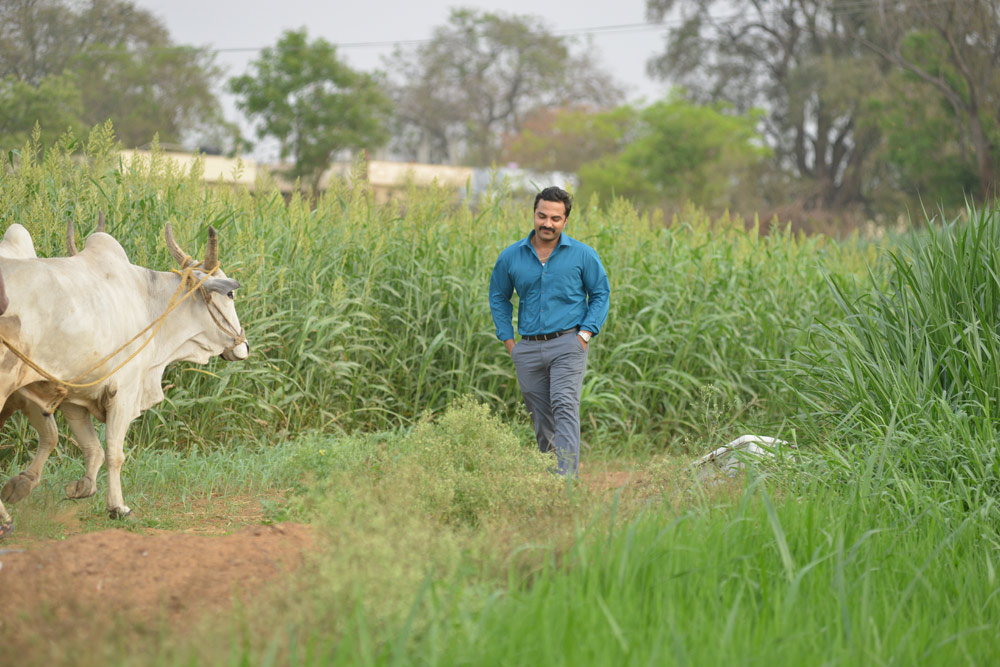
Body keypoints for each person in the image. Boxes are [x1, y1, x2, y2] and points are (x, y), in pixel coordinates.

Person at [489, 186, 610, 477]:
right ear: (534, 214)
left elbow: (600, 293)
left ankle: (567, 481)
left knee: (564, 405)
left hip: (568, 342)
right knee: (541, 416)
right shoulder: (511, 257)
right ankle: (551, 476)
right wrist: (510, 342)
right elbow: (498, 296)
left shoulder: (582, 255)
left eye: (555, 218)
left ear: (565, 221)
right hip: (527, 348)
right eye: (542, 216)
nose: (547, 223)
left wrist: (584, 334)